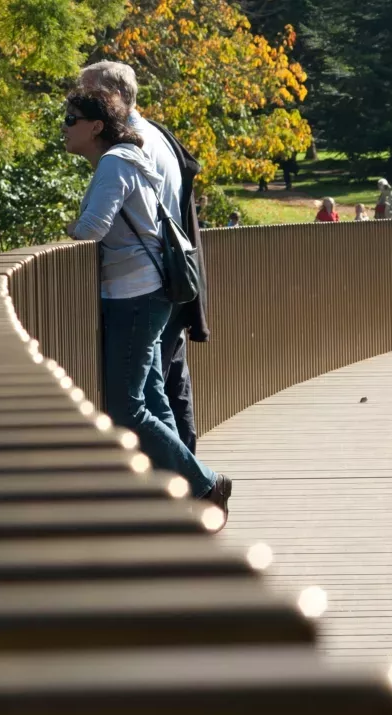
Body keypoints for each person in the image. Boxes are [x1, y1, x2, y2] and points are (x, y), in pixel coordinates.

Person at [62, 87, 231, 511]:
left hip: (134, 294)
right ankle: (175, 490)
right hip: (142, 291)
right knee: (151, 395)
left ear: (96, 126)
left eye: (70, 119)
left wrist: (70, 229)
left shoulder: (115, 163)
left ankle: (205, 483)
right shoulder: (121, 160)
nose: (63, 129)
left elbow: (92, 229)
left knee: (126, 406)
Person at [78, 60, 205, 454]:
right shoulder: (155, 135)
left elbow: (96, 226)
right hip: (165, 274)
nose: (76, 107)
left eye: (87, 96)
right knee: (165, 382)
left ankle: (193, 480)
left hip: (142, 279)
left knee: (140, 398)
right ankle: (190, 480)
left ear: (110, 99)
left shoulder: (128, 149)